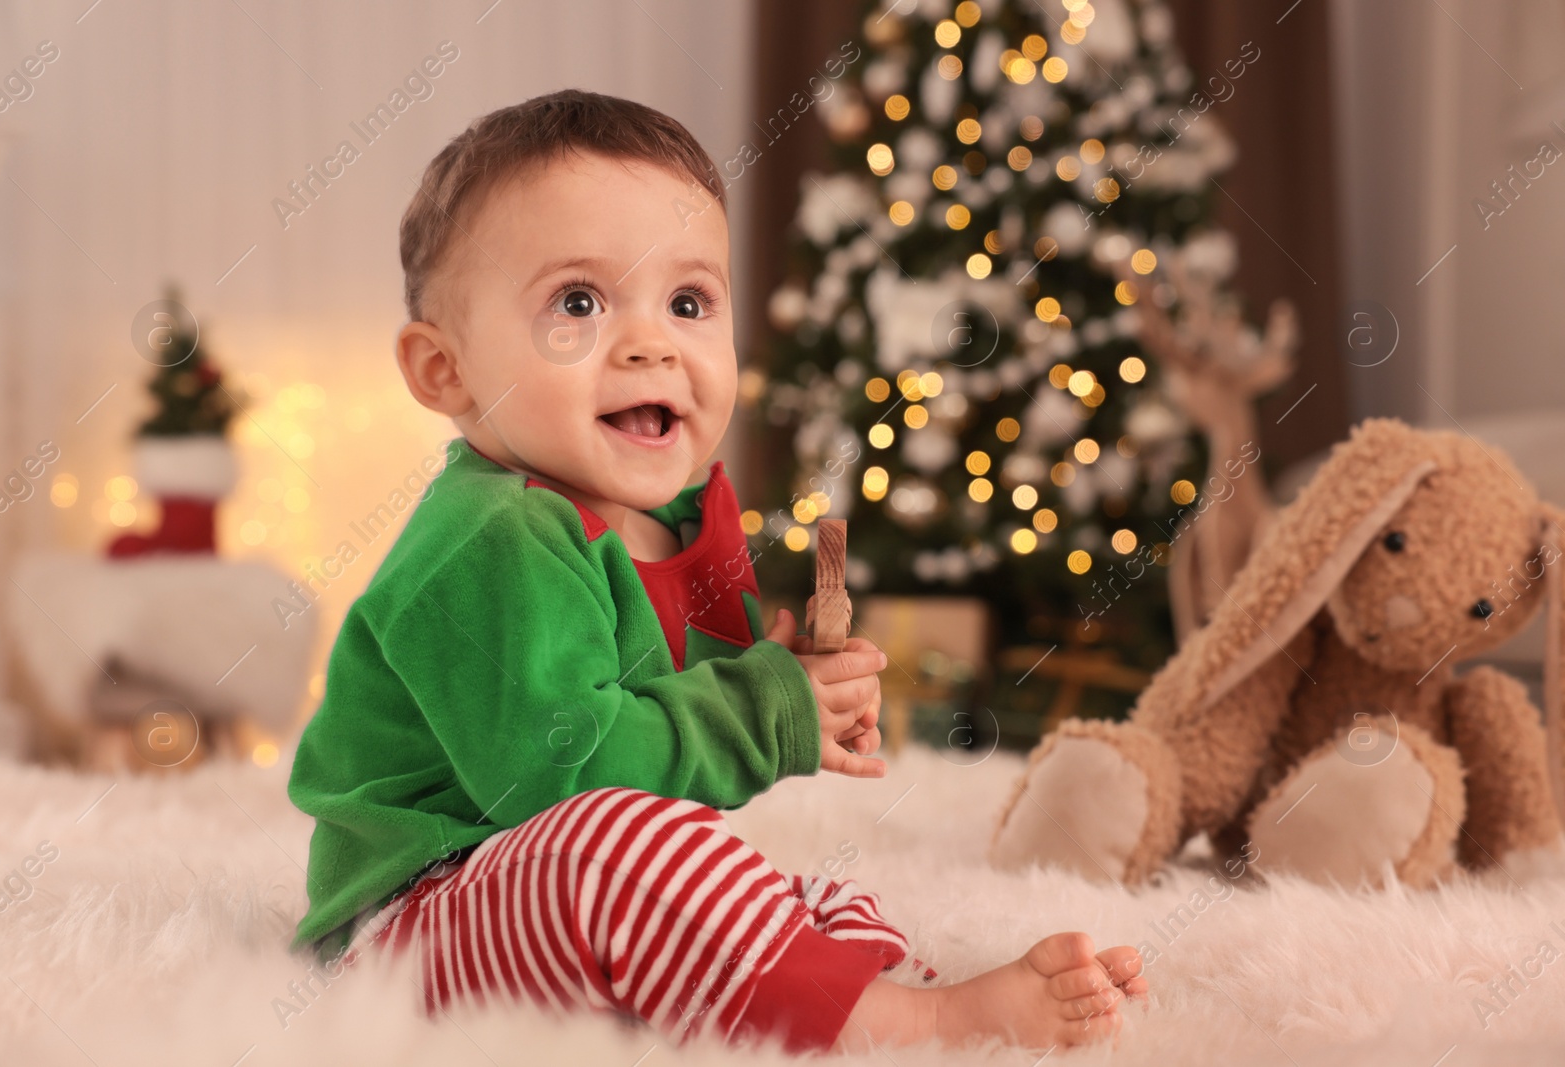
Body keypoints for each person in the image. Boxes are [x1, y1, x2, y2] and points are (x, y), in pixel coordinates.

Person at [287, 88, 1147, 1055]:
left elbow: (682, 742)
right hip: (414, 923)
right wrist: (761, 709)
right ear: (445, 370)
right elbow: (562, 781)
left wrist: (798, 686)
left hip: (541, 892)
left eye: (688, 301)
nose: (651, 341)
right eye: (578, 303)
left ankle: (864, 983)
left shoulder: (659, 516)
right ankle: (920, 1021)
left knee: (801, 891)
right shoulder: (490, 533)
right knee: (617, 857)